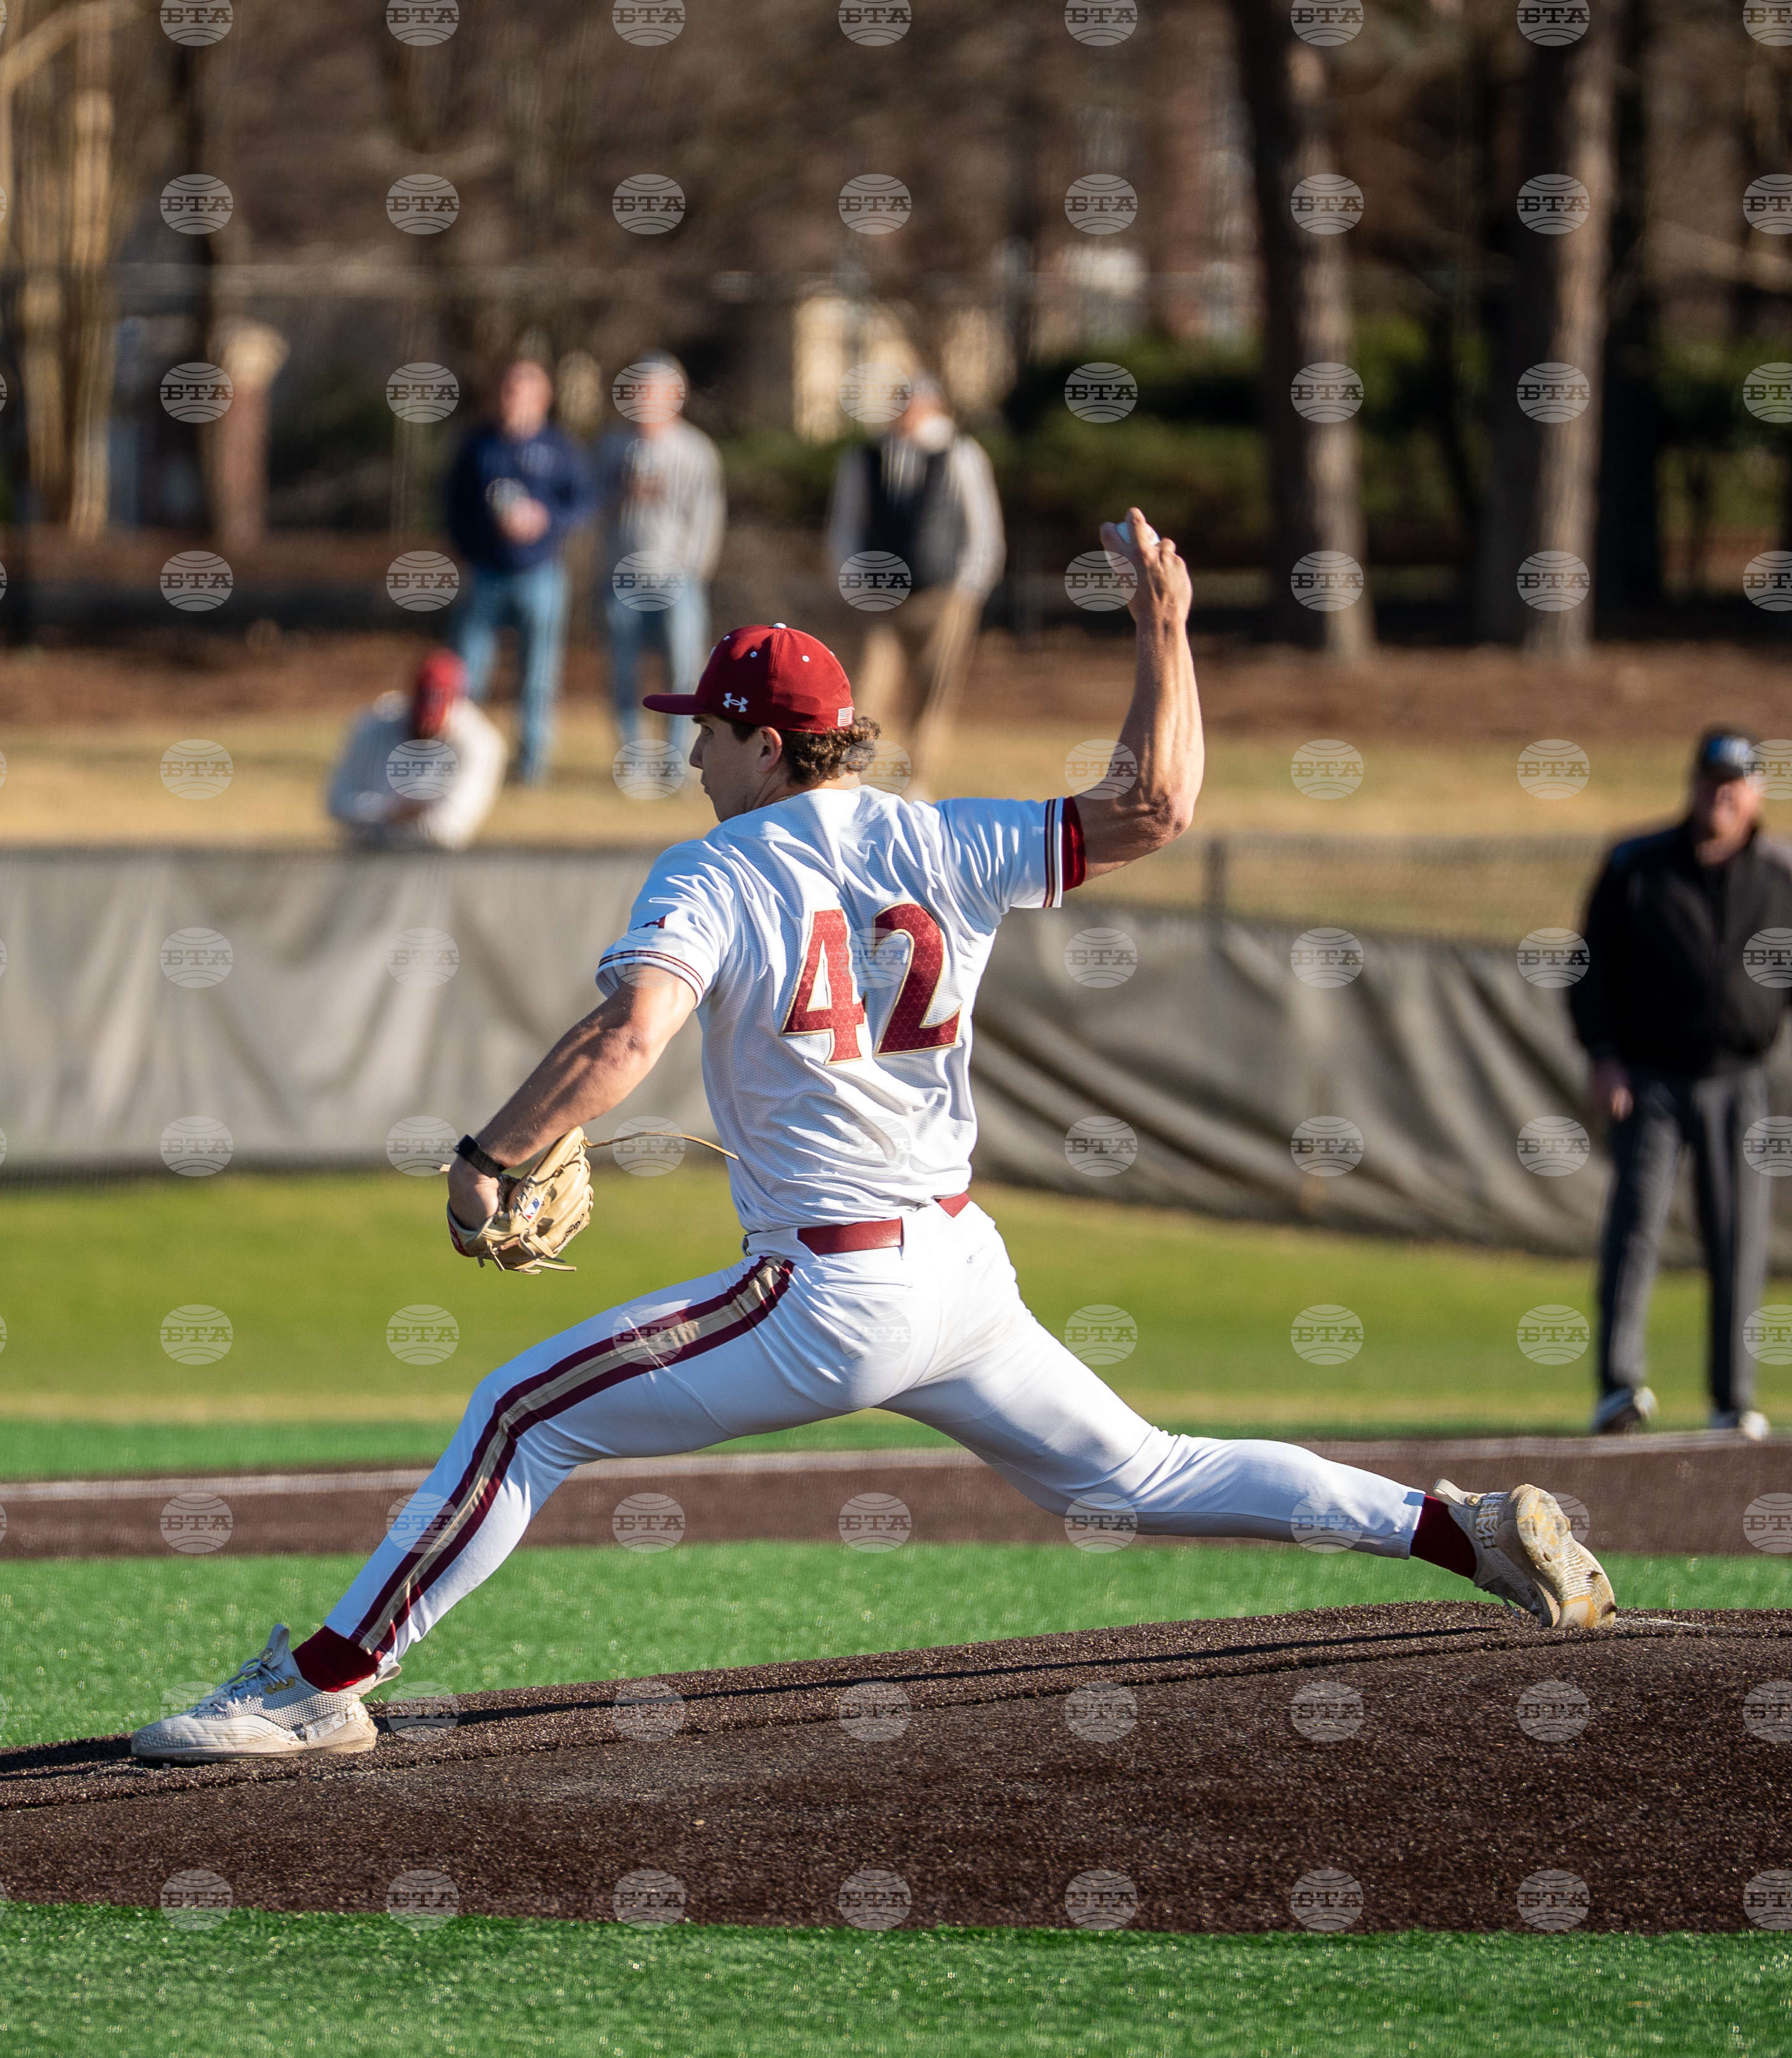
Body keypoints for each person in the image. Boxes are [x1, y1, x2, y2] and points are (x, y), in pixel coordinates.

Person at [129, 512, 1614, 1765]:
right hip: (957, 1271)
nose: (690, 753)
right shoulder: (943, 835)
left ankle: (320, 1688)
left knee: (525, 1412)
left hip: (827, 1290)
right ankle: (1460, 1529)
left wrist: (490, 1150)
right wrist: (1165, 628)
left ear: (761, 741)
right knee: (1140, 1472)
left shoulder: (715, 866)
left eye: (704, 729)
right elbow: (1157, 803)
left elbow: (627, 1039)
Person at [1572, 727, 1792, 1439]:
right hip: (1651, 1077)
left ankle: (1733, 1396)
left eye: (1733, 784)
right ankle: (1618, 1385)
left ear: (1755, 792)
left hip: (1739, 1079)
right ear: (1692, 784)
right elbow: (1591, 968)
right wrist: (1603, 1054)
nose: (1719, 795)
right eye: (1708, 780)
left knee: (1738, 1234)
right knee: (1635, 1226)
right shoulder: (1639, 865)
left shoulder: (1778, 877)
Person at [825, 373, 1004, 793]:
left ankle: (917, 779)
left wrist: (969, 587)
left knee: (933, 691)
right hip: (878, 595)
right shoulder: (866, 456)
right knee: (867, 686)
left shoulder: (960, 453)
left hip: (941, 594)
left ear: (933, 406)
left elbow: (981, 526)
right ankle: (852, 775)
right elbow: (846, 524)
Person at [443, 358, 597, 788]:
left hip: (541, 577)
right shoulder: (477, 445)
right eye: (507, 389)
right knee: (468, 671)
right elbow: (453, 507)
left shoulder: (560, 448)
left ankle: (531, 766)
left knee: (538, 675)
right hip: (486, 576)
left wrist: (546, 520)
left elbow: (583, 503)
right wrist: (476, 544)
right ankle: (459, 761)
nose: (513, 399)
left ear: (542, 398)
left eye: (523, 390)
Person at [595, 352, 725, 761]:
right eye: (637, 391)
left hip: (677, 578)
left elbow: (707, 518)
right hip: (620, 576)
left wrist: (692, 570)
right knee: (623, 670)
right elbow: (587, 506)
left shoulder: (696, 450)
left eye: (654, 392)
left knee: (684, 671)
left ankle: (678, 757)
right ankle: (632, 755)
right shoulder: (611, 446)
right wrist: (621, 494)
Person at [325, 649, 506, 851]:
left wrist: (392, 818)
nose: (426, 729)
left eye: (434, 723)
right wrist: (387, 810)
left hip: (434, 865)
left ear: (457, 706)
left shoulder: (480, 743)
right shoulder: (374, 726)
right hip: (365, 855)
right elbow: (336, 803)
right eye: (421, 721)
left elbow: (450, 829)